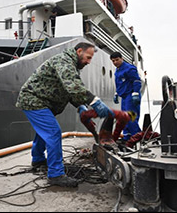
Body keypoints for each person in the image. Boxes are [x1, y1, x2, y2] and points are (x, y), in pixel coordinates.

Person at [16, 42, 114, 187]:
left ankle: (37, 159)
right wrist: (95, 101)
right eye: (88, 57)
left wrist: (81, 106)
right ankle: (56, 175)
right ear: (79, 51)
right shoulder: (64, 61)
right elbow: (73, 86)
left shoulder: (70, 64)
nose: (89, 62)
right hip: (34, 100)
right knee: (53, 132)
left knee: (44, 132)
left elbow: (68, 90)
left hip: (41, 101)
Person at [110, 52, 142, 142]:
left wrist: (135, 93)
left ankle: (137, 136)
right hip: (124, 96)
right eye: (113, 61)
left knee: (131, 117)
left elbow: (136, 81)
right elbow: (120, 83)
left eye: (117, 60)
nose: (115, 62)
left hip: (131, 95)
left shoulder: (129, 68)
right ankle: (127, 136)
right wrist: (117, 93)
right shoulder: (118, 70)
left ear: (121, 58)